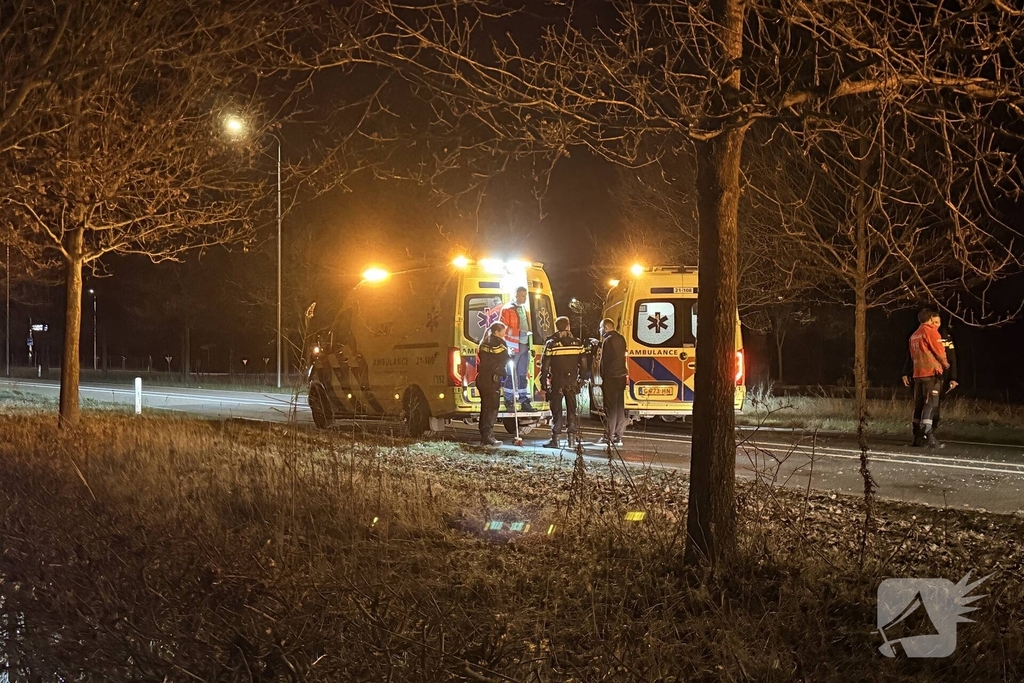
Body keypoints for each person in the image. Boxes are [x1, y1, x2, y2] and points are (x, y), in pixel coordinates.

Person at [902, 322, 958, 441]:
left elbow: (952, 357)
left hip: (929, 375)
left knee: (928, 405)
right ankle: (925, 433)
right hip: (931, 374)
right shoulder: (928, 334)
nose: (935, 325)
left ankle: (923, 433)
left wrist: (953, 376)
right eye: (934, 322)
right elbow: (912, 356)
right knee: (929, 404)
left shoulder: (942, 336)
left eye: (937, 322)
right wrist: (905, 372)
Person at [539, 316, 587, 449]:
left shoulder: (551, 344)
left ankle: (556, 439)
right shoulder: (578, 343)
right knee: (572, 409)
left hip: (557, 381)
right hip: (572, 381)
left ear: (557, 327)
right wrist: (582, 378)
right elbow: (583, 364)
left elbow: (545, 364)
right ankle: (572, 440)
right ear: (568, 326)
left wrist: (543, 380)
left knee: (557, 410)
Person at [476, 321, 510, 446]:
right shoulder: (499, 343)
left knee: (484, 407)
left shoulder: (484, 342)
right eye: (503, 332)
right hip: (492, 379)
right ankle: (488, 436)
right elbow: (505, 357)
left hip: (482, 378)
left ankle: (484, 435)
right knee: (492, 407)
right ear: (497, 332)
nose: (504, 335)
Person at [500, 286, 534, 412]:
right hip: (513, 345)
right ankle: (508, 400)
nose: (525, 298)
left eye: (525, 295)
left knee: (522, 375)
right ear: (516, 295)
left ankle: (523, 399)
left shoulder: (525, 308)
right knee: (510, 374)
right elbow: (503, 328)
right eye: (523, 295)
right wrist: (520, 333)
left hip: (525, 345)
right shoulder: (507, 309)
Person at [599, 317, 628, 447]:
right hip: (621, 376)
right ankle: (618, 435)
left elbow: (604, 362)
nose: (600, 331)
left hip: (610, 377)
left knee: (610, 408)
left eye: (600, 328)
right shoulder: (621, 339)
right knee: (619, 407)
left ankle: (608, 435)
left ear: (606, 327)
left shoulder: (607, 340)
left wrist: (602, 377)